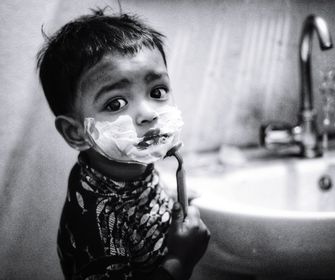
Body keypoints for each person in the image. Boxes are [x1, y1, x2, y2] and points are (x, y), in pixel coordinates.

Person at [36, 8, 210, 280]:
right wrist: (180, 260)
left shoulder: (127, 164)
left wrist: (166, 198)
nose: (149, 113)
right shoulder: (95, 221)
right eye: (115, 103)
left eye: (157, 92)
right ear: (76, 132)